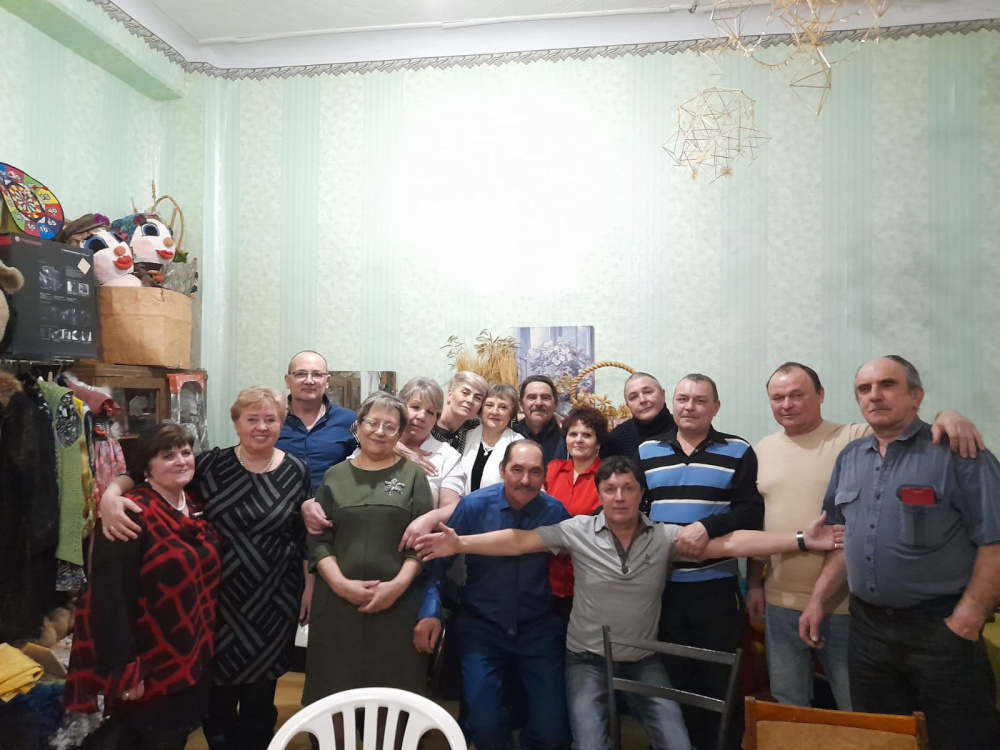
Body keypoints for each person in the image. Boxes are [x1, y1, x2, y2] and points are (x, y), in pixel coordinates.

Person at [414, 455, 843, 750]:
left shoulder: (665, 537)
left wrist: (802, 539)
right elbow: (517, 541)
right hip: (584, 660)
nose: (619, 497)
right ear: (600, 493)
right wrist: (459, 543)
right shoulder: (577, 530)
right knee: (588, 744)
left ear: (641, 493)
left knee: (677, 743)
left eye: (628, 488)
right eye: (610, 489)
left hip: (643, 660)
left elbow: (732, 543)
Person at [747, 361, 984, 711]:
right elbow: (760, 520)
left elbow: (901, 423)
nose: (787, 404)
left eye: (797, 395)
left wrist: (949, 416)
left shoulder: (853, 438)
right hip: (781, 602)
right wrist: (754, 583)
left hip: (846, 608)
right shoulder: (764, 449)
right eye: (777, 397)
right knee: (789, 706)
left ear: (821, 395)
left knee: (859, 710)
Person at [99, 388, 311, 750]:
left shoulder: (296, 470)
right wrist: (110, 495)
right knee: (218, 701)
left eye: (270, 419)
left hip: (276, 601)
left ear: (282, 423)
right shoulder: (209, 465)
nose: (261, 427)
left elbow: (302, 534)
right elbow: (146, 473)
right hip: (217, 602)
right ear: (236, 424)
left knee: (261, 701)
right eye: (252, 419)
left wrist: (309, 587)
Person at [811, 356, 1000, 749]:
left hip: (941, 629)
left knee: (961, 738)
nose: (874, 395)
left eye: (887, 384)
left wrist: (968, 617)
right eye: (864, 389)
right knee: (882, 738)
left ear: (916, 396)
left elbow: (994, 541)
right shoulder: (850, 458)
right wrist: (818, 600)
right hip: (867, 631)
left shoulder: (957, 451)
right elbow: (845, 538)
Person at [65, 424, 222, 749]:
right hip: (148, 665)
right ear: (146, 469)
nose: (181, 461)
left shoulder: (193, 504)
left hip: (190, 655)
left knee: (175, 737)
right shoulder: (130, 514)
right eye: (168, 456)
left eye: (185, 452)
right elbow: (109, 599)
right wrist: (124, 668)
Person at [413, 441, 572, 750]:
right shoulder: (473, 506)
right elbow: (439, 565)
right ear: (502, 470)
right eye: (517, 469)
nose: (525, 480)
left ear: (544, 476)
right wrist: (430, 611)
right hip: (482, 628)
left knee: (554, 733)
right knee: (485, 729)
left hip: (538, 629)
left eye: (535, 472)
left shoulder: (555, 512)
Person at [639, 373, 763, 750]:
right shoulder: (646, 451)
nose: (689, 407)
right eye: (683, 399)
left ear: (716, 407)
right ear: (672, 403)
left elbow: (751, 510)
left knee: (719, 682)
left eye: (699, 400)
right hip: (662, 591)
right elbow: (636, 509)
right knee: (672, 681)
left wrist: (707, 527)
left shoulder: (738, 450)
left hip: (716, 590)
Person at [304, 392, 434, 704]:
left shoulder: (413, 475)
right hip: (336, 604)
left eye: (390, 426)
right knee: (334, 693)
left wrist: (397, 586)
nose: (379, 431)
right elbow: (318, 539)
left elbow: (422, 544)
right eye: (372, 423)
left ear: (400, 434)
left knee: (393, 695)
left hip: (397, 603)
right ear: (358, 426)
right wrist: (341, 584)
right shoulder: (335, 475)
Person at [545, 405, 607, 620]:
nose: (578, 440)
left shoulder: (607, 476)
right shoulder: (552, 470)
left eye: (586, 435)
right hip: (547, 578)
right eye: (573, 434)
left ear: (598, 442)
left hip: (587, 579)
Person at [277, 350, 356, 494]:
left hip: (331, 505)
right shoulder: (271, 420)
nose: (309, 381)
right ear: (288, 380)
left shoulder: (350, 421)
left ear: (327, 381)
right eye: (300, 374)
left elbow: (370, 460)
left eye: (317, 374)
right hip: (279, 505)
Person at [460, 382, 523, 494]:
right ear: (481, 409)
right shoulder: (466, 436)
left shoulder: (519, 444)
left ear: (511, 413)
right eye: (489, 405)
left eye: (503, 407)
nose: (494, 412)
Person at [600, 372, 675, 462]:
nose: (642, 400)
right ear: (628, 406)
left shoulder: (683, 428)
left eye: (648, 392)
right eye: (633, 397)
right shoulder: (616, 440)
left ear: (663, 394)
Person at [511, 375, 567, 465]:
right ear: (521, 405)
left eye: (545, 397)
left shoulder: (568, 438)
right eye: (532, 397)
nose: (538, 403)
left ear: (556, 405)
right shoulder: (510, 436)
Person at [431, 371, 489, 453]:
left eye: (478, 398)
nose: (470, 400)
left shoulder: (473, 427)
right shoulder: (427, 421)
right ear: (450, 394)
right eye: (465, 393)